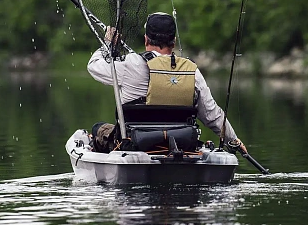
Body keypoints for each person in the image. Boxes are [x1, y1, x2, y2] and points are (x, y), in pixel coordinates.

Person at [87, 11, 246, 153]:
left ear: (146, 39)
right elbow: (212, 115)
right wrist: (234, 140)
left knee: (98, 129)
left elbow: (93, 67)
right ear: (174, 41)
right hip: (182, 144)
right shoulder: (191, 71)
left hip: (136, 145)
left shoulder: (131, 64)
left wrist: (108, 43)